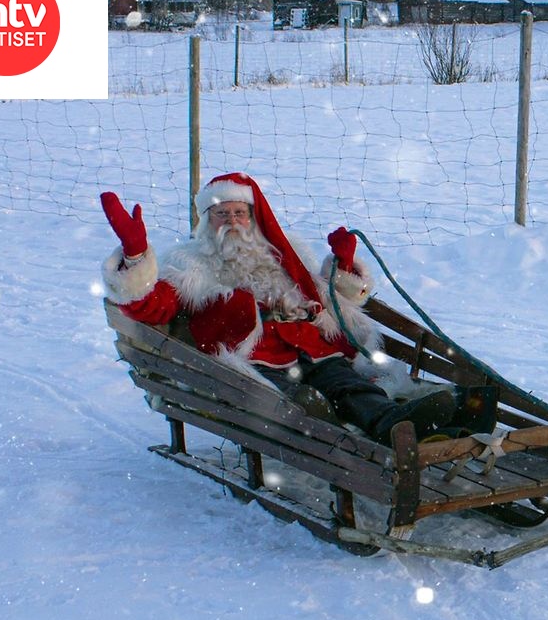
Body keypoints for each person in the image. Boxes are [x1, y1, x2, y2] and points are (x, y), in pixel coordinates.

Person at [100, 171, 463, 445]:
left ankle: (392, 423)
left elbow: (329, 298)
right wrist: (136, 259)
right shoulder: (190, 263)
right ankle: (327, 430)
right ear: (206, 220)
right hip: (254, 359)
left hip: (311, 347)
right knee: (293, 398)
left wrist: (343, 270)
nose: (232, 222)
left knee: (348, 384)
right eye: (221, 214)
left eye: (239, 213)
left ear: (253, 217)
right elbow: (154, 306)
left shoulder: (283, 252)